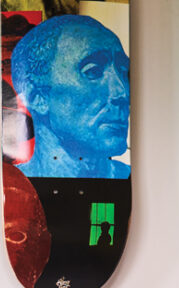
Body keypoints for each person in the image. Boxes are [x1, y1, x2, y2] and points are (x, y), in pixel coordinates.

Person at [10, 14, 130, 179]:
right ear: (37, 97)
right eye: (93, 71)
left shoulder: (147, 181)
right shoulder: (8, 189)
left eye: (124, 73)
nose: (122, 93)